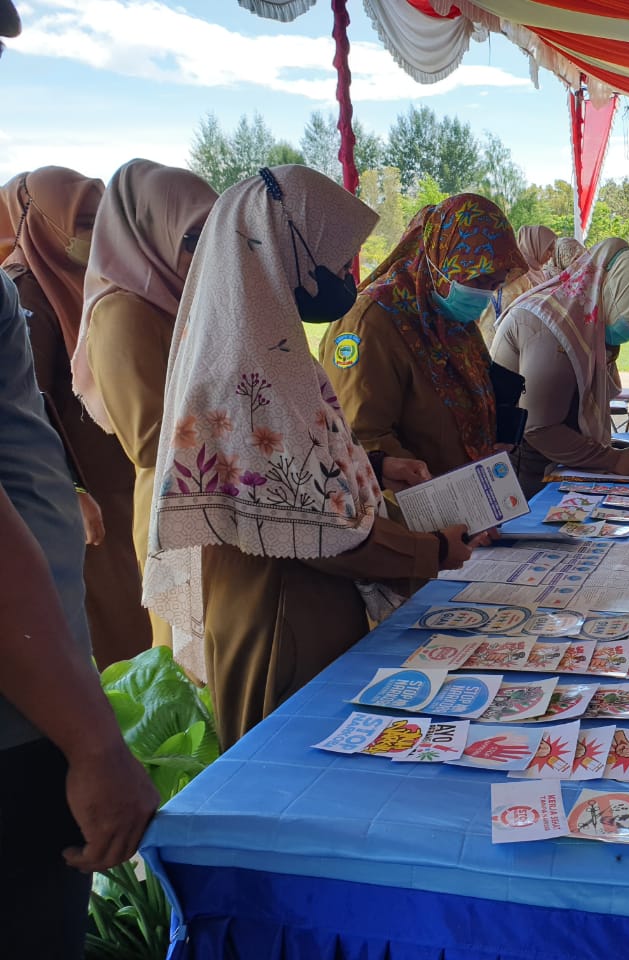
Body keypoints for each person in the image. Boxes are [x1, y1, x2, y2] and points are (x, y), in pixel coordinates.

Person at [142, 165, 473, 747]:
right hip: (283, 619)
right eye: (335, 257)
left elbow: (292, 462)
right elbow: (321, 527)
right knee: (291, 760)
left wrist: (373, 468)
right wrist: (434, 550)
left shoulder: (262, 344)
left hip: (297, 602)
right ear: (278, 246)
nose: (346, 274)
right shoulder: (248, 370)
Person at [0, 120, 159, 960]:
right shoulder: (36, 293)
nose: (90, 236)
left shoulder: (112, 288)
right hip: (32, 633)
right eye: (80, 220)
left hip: (76, 541)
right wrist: (93, 743)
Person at [1, 165, 151, 668]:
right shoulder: (23, 293)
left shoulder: (98, 282)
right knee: (120, 629)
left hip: (124, 477)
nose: (92, 234)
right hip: (88, 495)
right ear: (39, 222)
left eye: (98, 220)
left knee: (148, 613)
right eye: (81, 223)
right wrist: (72, 490)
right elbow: (28, 407)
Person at [71, 159, 218, 652]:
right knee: (193, 657)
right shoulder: (122, 313)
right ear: (151, 233)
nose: (206, 252)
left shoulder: (183, 302)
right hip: (177, 508)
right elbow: (151, 440)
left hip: (217, 494)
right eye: (191, 238)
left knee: (226, 649)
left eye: (214, 235)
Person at [320, 193, 527, 478]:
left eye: (495, 284)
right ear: (441, 260)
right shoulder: (370, 323)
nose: (483, 294)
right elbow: (361, 437)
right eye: (478, 279)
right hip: (408, 499)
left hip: (467, 492)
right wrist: (433, 492)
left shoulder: (450, 317)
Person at [490, 237, 629, 496]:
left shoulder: (586, 323)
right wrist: (612, 459)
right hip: (527, 473)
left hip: (558, 464)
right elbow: (539, 428)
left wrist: (609, 450)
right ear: (613, 296)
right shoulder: (551, 326)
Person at [478, 223, 557, 344]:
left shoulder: (537, 273)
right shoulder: (521, 274)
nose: (551, 254)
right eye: (549, 249)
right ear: (535, 246)